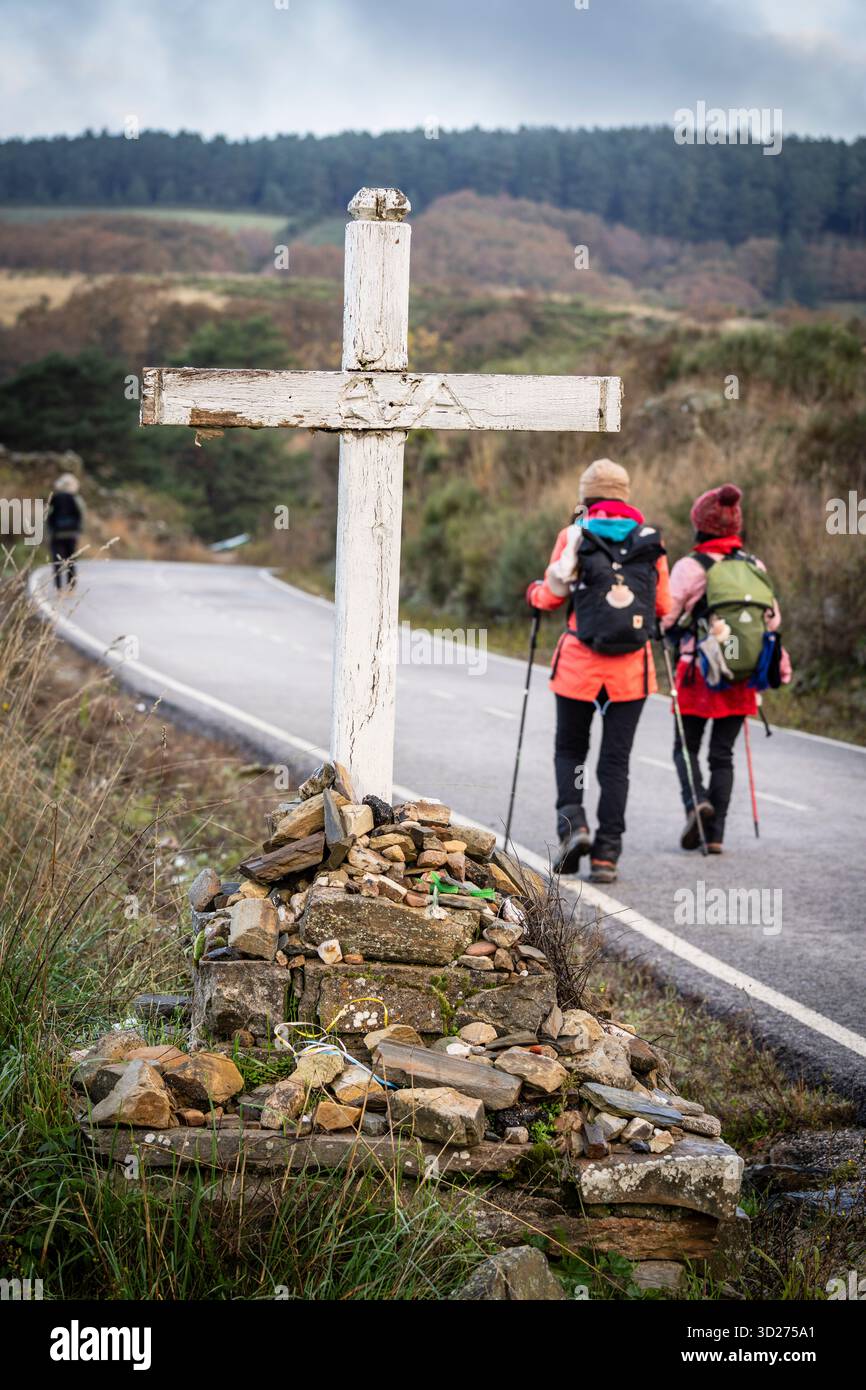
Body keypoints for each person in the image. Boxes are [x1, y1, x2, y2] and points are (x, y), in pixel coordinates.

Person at [526, 458, 671, 883]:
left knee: (571, 751)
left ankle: (575, 824)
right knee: (615, 762)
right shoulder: (649, 541)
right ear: (625, 496)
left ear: (586, 496)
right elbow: (663, 607)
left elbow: (551, 596)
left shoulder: (573, 535)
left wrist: (534, 593)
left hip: (579, 667)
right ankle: (607, 854)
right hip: (631, 672)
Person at [661, 483, 791, 853]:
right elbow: (772, 620)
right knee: (723, 754)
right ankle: (715, 836)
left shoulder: (689, 567)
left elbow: (667, 618)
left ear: (700, 525)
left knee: (685, 748)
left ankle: (696, 804)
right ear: (736, 526)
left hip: (698, 672)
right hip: (743, 674)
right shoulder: (754, 566)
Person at [46, 472, 84, 591]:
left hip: (57, 534)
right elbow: (81, 515)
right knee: (71, 560)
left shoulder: (54, 498)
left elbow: (48, 515)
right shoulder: (76, 499)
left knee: (57, 561)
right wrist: (79, 531)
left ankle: (58, 588)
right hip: (72, 534)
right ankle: (71, 586)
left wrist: (49, 531)